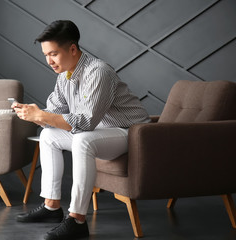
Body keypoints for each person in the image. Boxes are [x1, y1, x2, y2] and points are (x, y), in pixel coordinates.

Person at [13, 20, 150, 240]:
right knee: (48, 136)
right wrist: (33, 114)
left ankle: (77, 220)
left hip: (132, 133)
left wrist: (42, 116)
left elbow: (85, 122)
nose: (49, 61)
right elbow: (54, 113)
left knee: (83, 140)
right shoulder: (64, 76)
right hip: (101, 133)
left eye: (54, 54)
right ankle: (51, 207)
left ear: (73, 49)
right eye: (46, 55)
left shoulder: (98, 72)